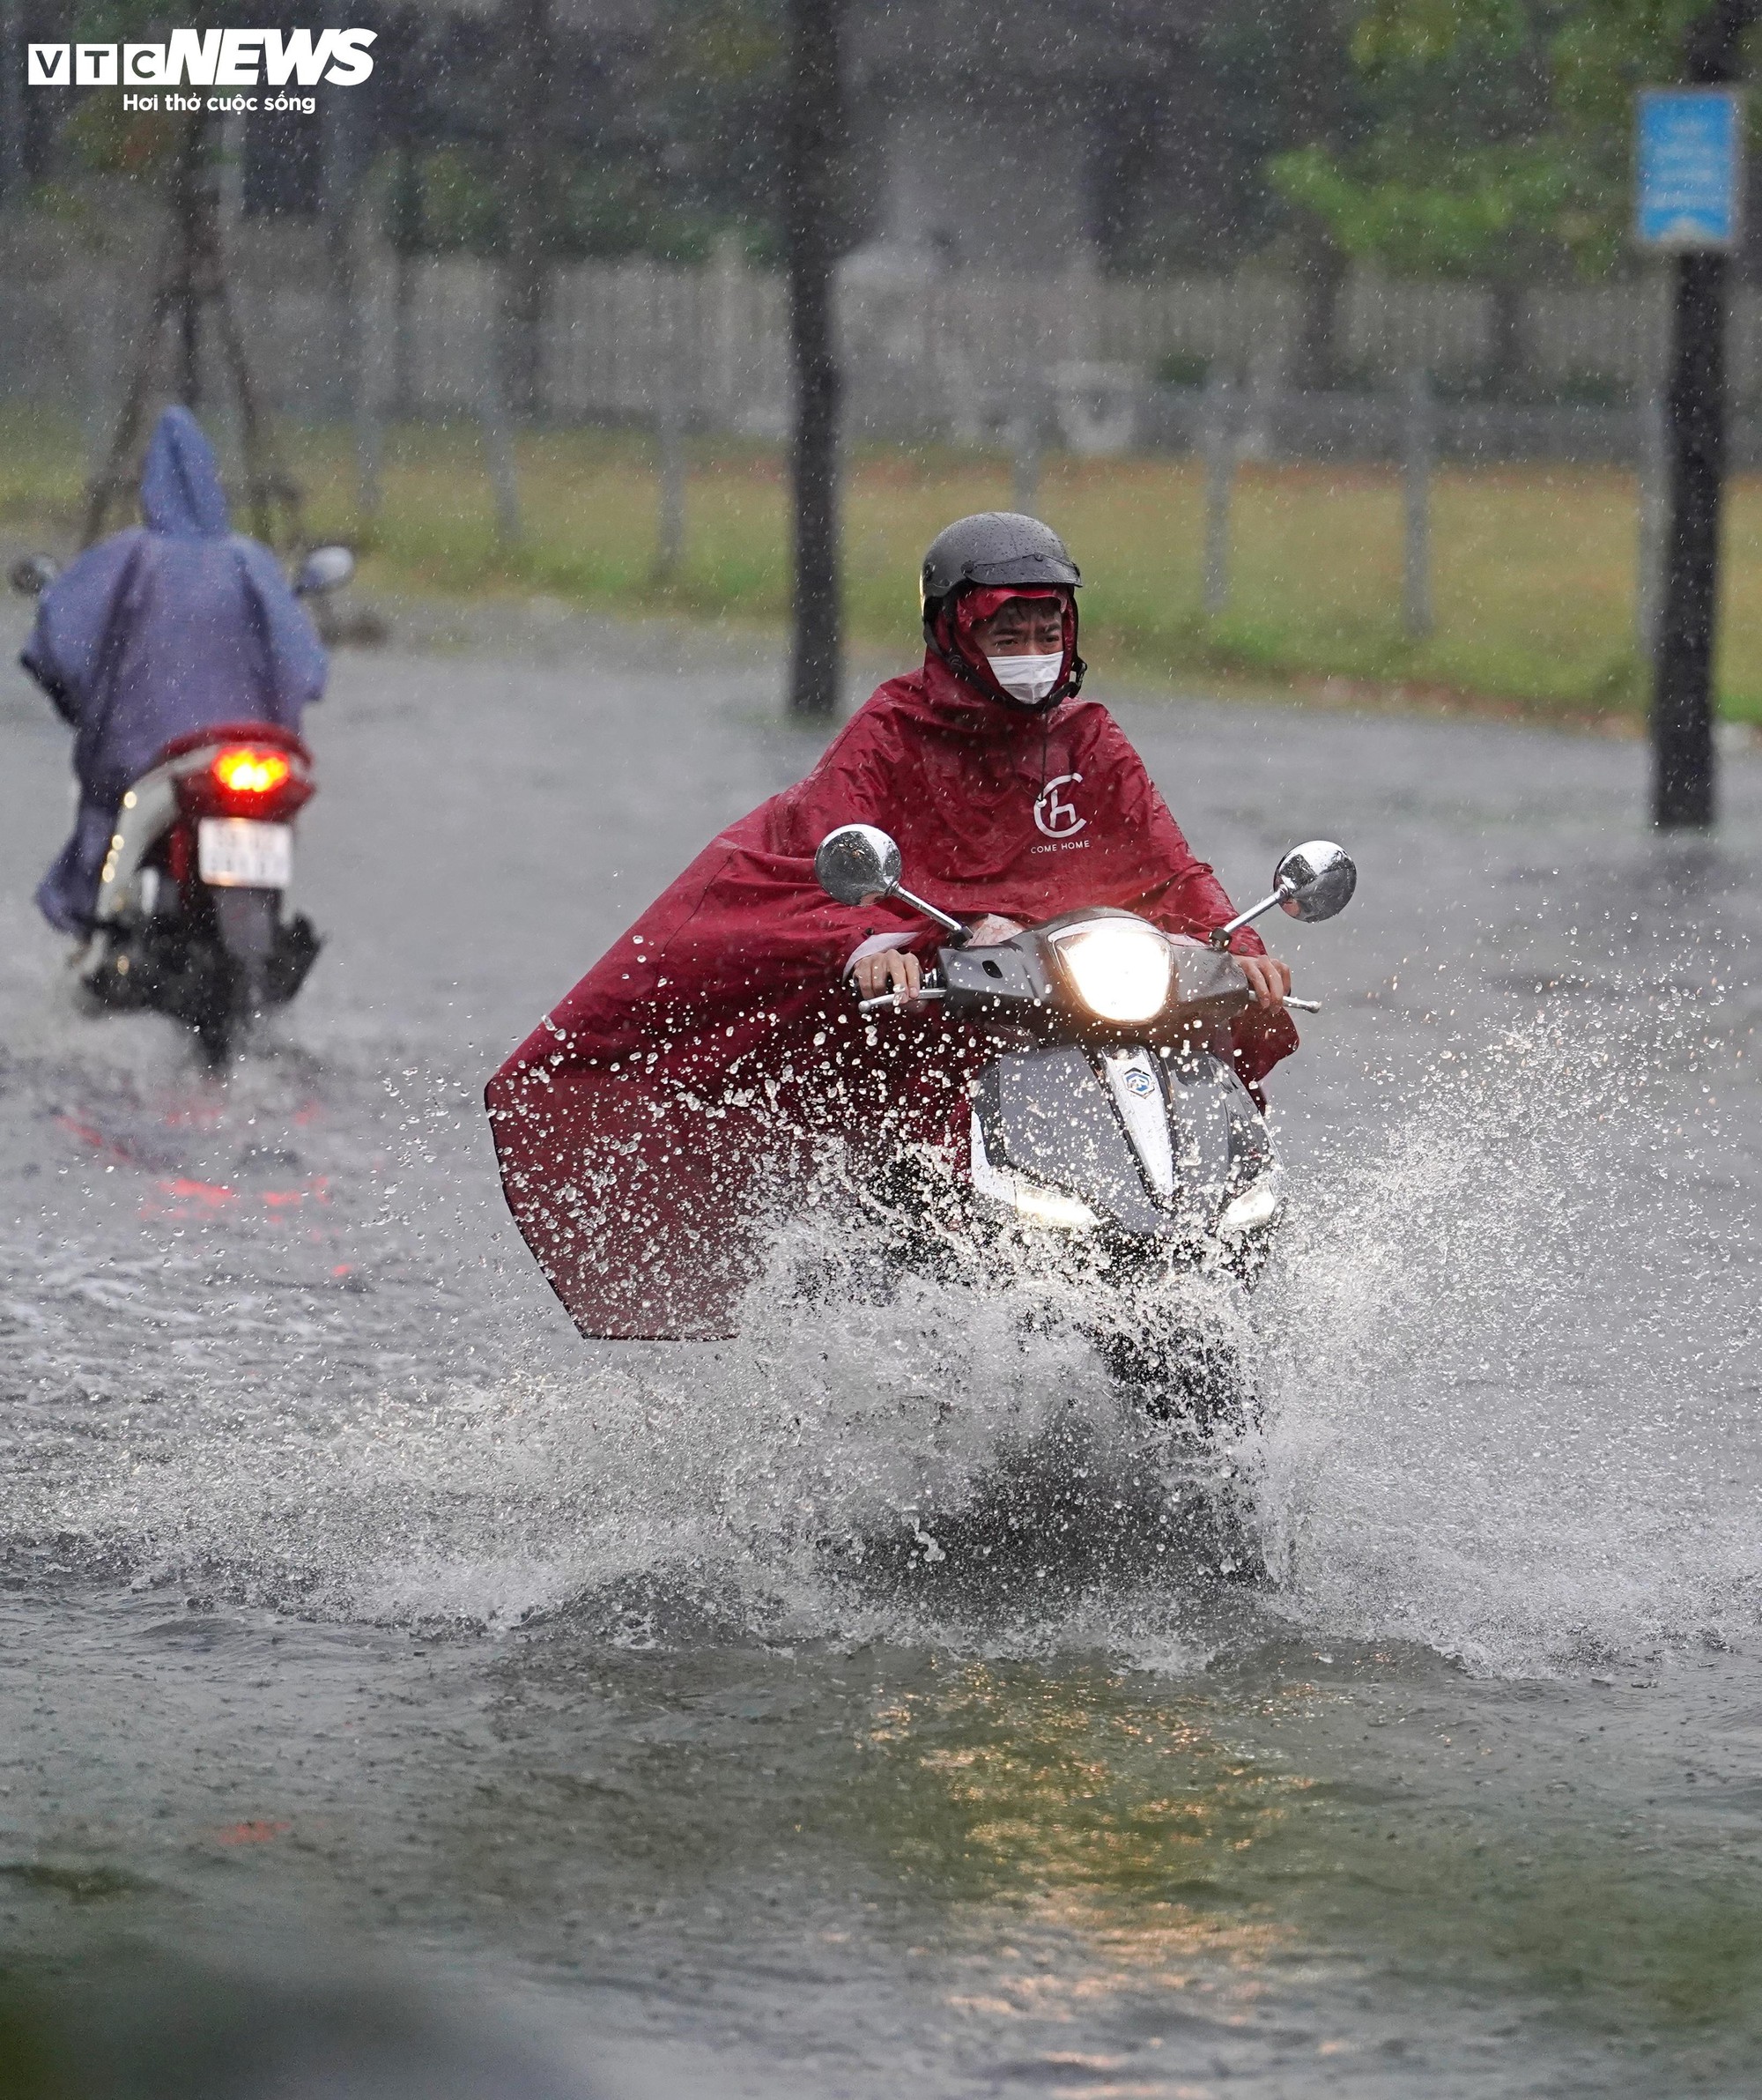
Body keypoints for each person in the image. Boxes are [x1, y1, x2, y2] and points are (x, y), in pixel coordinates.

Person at [487, 512, 1298, 1342]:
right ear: (953, 631)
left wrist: (1243, 946)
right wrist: (876, 945)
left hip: (1076, 1009)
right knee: (901, 1127)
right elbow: (824, 854)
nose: (1032, 647)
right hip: (941, 1016)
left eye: (1046, 626)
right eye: (1007, 628)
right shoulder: (890, 733)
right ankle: (922, 1304)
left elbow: (1172, 870)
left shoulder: (1088, 740)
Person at [22, 404, 327, 937]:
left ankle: (104, 936)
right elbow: (303, 662)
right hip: (254, 750)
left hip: (147, 755)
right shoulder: (249, 561)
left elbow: (63, 641)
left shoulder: (131, 558)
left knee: (102, 837)